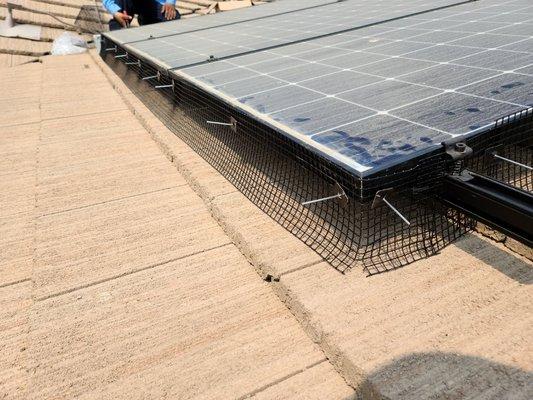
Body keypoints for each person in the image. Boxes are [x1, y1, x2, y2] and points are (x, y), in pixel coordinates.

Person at [102, 0, 180, 31]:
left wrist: (170, 2)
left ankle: (146, 19)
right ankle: (118, 31)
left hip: (153, 3)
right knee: (118, 21)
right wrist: (115, 12)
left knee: (172, 17)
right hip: (127, 2)